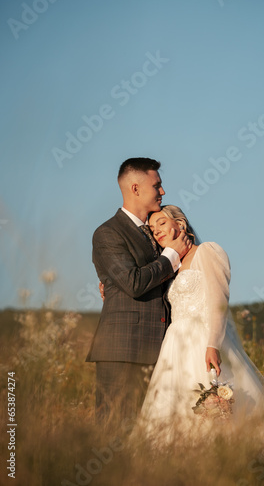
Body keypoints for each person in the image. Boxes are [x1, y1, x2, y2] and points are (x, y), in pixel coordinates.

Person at [137, 205, 264, 444]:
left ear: (180, 224)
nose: (156, 230)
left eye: (161, 222)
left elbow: (218, 301)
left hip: (202, 340)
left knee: (215, 408)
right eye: (151, 228)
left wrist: (213, 344)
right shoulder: (171, 266)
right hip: (174, 347)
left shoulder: (207, 252)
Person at [86, 159, 191, 426]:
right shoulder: (108, 233)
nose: (163, 191)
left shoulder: (158, 234)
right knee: (114, 435)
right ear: (135, 188)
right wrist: (171, 255)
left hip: (162, 354)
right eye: (157, 185)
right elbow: (133, 282)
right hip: (123, 352)